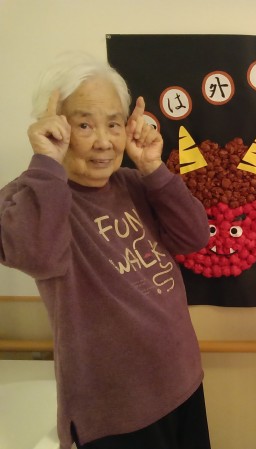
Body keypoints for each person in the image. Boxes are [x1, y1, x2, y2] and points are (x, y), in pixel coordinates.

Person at [0, 52, 211, 449]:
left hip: (182, 383)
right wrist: (46, 162)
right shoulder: (29, 195)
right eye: (84, 124)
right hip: (114, 415)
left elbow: (195, 236)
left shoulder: (134, 183)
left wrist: (153, 167)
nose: (103, 141)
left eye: (113, 124)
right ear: (53, 125)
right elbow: (37, 256)